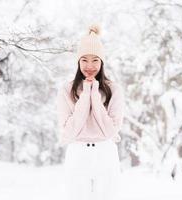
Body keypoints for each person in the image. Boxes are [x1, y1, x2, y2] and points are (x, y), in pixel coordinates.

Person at [57, 24, 124, 200]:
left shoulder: (113, 89)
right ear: (78, 61)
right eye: (84, 60)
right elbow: (70, 130)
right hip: (77, 152)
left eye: (95, 60)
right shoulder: (67, 90)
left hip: (105, 152)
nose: (89, 66)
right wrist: (85, 94)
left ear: (102, 62)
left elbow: (110, 131)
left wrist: (95, 94)